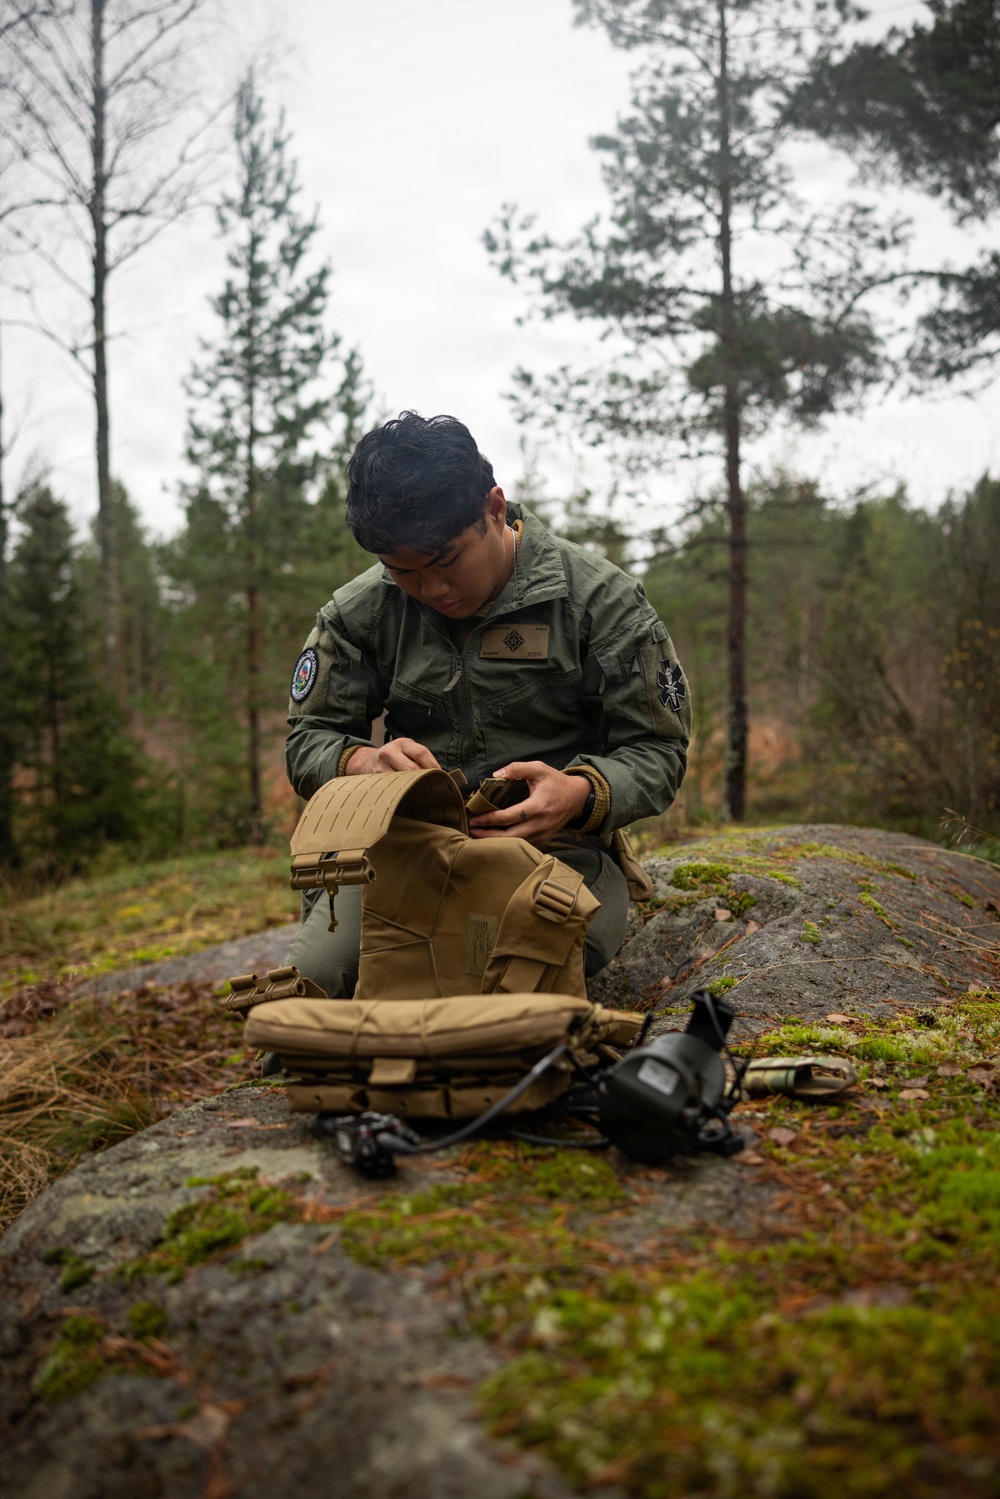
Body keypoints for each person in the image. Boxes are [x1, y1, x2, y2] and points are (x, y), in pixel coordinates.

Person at [284, 411, 691, 998]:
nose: (432, 589)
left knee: (516, 969)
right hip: (404, 848)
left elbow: (658, 749)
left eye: (447, 561)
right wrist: (361, 764)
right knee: (318, 981)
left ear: (495, 509)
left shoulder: (598, 602)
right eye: (403, 571)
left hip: (552, 851)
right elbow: (308, 738)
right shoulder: (359, 614)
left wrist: (579, 793)